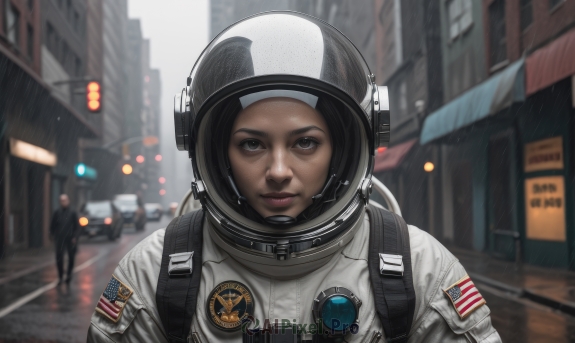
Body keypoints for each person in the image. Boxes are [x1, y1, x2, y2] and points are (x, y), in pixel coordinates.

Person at [87, 12, 501, 342]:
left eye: (305, 143)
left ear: (341, 149)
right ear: (217, 152)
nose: (279, 172)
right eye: (252, 144)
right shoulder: (152, 274)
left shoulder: (420, 270)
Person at [50, 194, 79, 285]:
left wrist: (75, 237)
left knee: (71, 257)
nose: (64, 202)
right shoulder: (57, 212)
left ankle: (69, 275)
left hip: (70, 238)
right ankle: (60, 276)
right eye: (62, 200)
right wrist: (52, 235)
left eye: (65, 200)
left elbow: (77, 226)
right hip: (60, 238)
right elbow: (52, 225)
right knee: (59, 257)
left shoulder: (72, 212)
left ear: (68, 201)